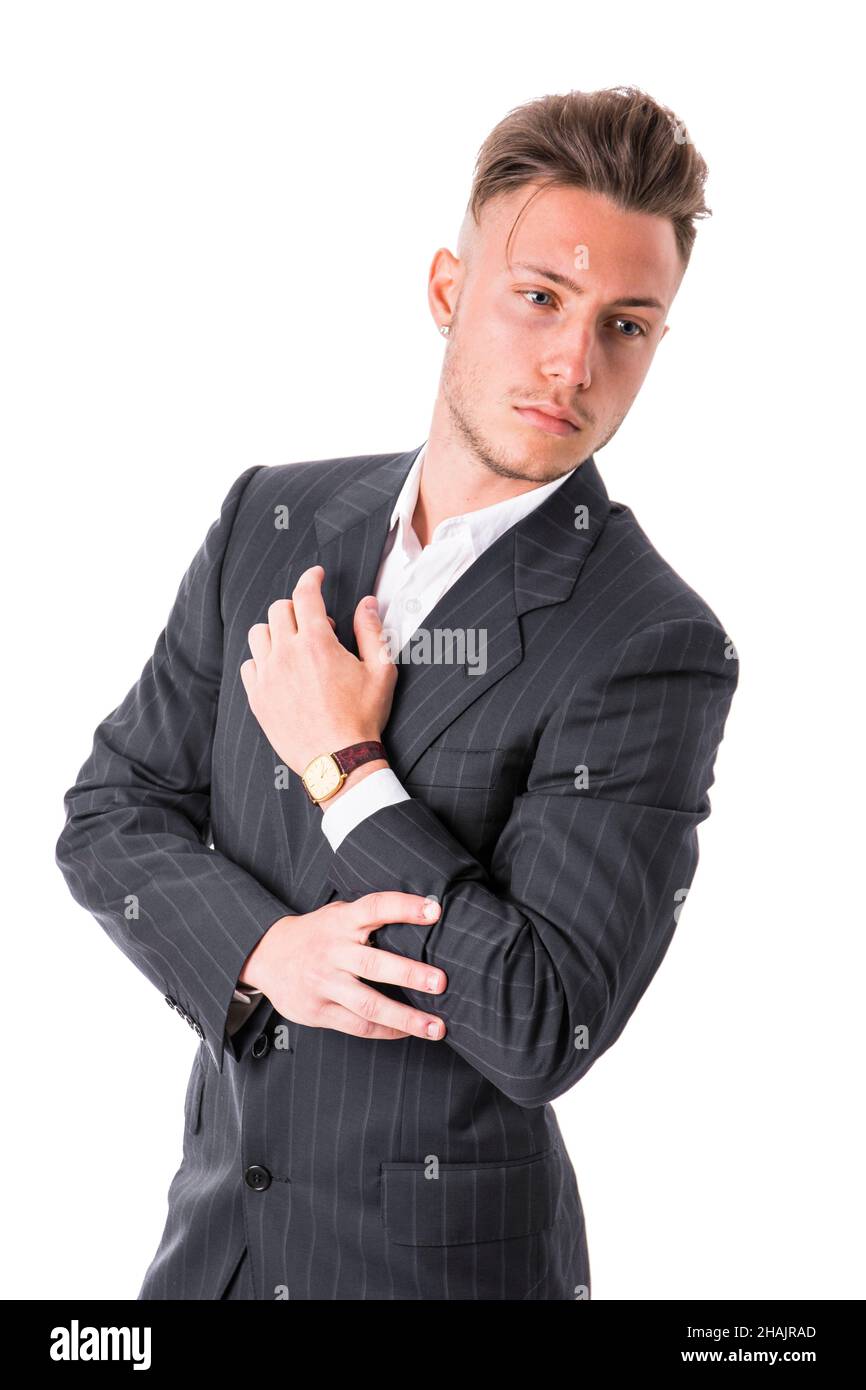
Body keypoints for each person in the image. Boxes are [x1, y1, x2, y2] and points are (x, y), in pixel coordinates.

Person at [55, 84, 739, 1300]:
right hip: (211, 1259)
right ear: (445, 290)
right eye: (540, 297)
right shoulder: (271, 518)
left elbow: (540, 1022)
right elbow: (112, 812)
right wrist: (262, 952)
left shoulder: (650, 640)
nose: (573, 363)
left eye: (626, 324)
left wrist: (348, 774)